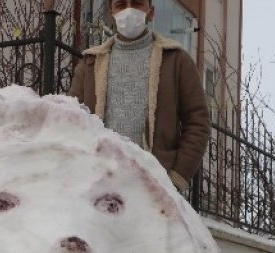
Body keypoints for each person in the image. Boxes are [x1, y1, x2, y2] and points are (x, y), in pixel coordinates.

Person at [69, 0, 210, 192]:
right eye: (120, 5)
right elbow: (71, 121)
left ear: (151, 12)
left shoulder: (176, 60)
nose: (129, 11)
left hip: (155, 187)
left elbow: (197, 121)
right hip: (98, 185)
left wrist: (177, 177)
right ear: (111, 13)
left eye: (137, 3)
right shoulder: (90, 63)